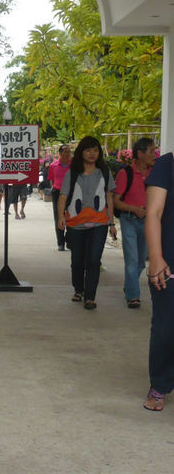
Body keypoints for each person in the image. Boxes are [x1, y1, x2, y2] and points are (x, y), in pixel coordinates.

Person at [58, 136, 116, 309]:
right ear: (81, 152)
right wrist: (61, 216)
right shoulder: (73, 173)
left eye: (96, 150)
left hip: (99, 223)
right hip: (76, 224)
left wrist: (111, 223)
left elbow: (109, 198)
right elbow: (63, 196)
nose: (92, 154)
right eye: (88, 150)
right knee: (77, 260)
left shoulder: (104, 172)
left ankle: (90, 297)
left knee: (93, 259)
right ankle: (78, 289)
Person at [143, 150, 174, 410]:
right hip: (168, 263)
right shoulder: (166, 165)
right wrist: (155, 257)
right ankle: (160, 384)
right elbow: (153, 213)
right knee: (166, 327)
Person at [113, 137, 157, 309]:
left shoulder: (156, 173)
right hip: (129, 220)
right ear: (139, 154)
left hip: (149, 222)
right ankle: (133, 296)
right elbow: (116, 201)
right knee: (131, 259)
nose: (155, 154)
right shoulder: (126, 174)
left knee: (140, 261)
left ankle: (129, 284)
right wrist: (133, 208)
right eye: (152, 151)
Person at [48, 144, 72, 250]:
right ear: (60, 153)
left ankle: (70, 240)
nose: (68, 153)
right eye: (65, 151)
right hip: (58, 192)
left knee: (71, 216)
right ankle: (60, 242)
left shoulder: (73, 165)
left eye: (69, 151)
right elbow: (52, 179)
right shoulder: (53, 165)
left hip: (71, 193)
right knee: (58, 216)